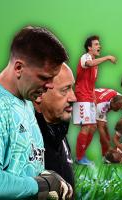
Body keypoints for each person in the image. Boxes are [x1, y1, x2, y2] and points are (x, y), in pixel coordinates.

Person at [0, 26, 72, 199]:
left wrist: (52, 179)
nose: (50, 85)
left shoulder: (26, 103)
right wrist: (42, 184)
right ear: (18, 68)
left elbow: (21, 167)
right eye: (45, 77)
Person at [73, 35, 117, 165]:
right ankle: (80, 158)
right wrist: (108, 57)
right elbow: (89, 63)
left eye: (99, 44)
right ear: (89, 47)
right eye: (96, 44)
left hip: (89, 98)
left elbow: (91, 84)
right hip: (81, 97)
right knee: (86, 127)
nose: (99, 46)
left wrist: (94, 99)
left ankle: (82, 156)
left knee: (92, 128)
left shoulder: (96, 65)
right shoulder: (86, 57)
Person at [34, 63, 76, 192]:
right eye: (65, 90)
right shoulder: (22, 134)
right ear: (40, 94)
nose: (73, 97)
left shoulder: (59, 128)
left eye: (72, 88)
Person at [94, 88, 122, 157]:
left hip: (102, 98)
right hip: (92, 103)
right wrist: (110, 146)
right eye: (116, 107)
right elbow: (101, 129)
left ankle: (106, 154)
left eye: (119, 108)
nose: (117, 109)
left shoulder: (119, 98)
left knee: (105, 130)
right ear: (112, 101)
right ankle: (105, 154)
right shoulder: (101, 106)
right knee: (96, 128)